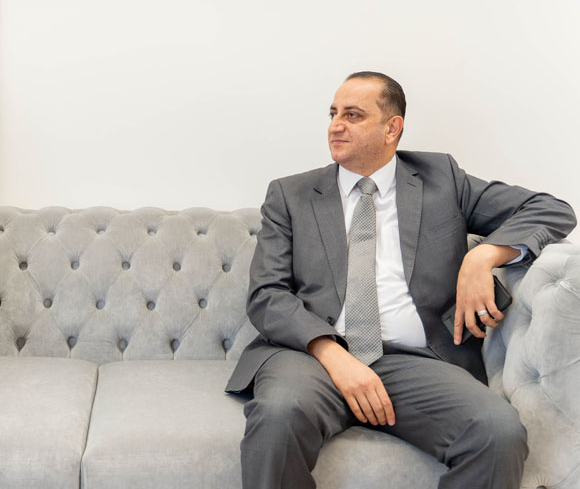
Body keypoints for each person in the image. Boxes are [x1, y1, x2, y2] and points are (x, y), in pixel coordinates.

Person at [225, 71, 576, 488]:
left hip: (414, 361)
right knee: (278, 416)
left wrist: (483, 255)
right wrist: (333, 354)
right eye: (333, 113)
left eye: (353, 115)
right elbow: (267, 294)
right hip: (312, 357)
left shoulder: (442, 179)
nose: (336, 125)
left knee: (498, 433)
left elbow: (551, 209)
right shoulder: (291, 194)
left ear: (392, 128)